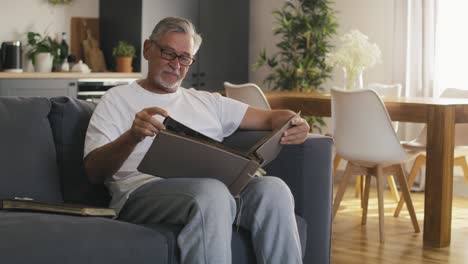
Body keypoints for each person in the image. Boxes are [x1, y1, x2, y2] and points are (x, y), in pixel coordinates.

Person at [84, 17, 310, 264]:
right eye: (168, 53)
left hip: (215, 190)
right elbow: (94, 171)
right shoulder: (117, 99)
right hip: (141, 194)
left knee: (274, 189)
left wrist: (297, 123)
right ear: (148, 48)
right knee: (211, 193)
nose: (175, 64)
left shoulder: (207, 101)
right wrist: (132, 137)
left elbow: (271, 119)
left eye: (184, 58)